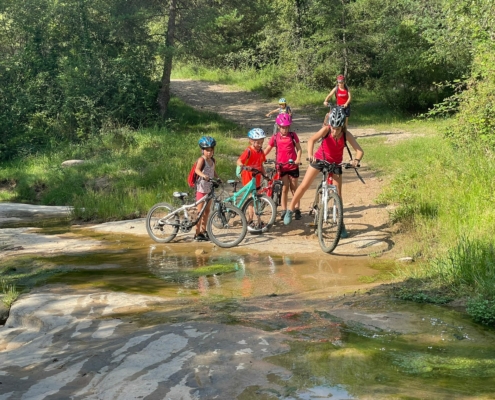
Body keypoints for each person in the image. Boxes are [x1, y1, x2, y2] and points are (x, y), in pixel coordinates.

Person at [283, 107, 363, 238]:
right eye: (333, 127)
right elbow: (311, 140)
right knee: (304, 185)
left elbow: (359, 151)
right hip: (320, 159)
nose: (335, 131)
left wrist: (356, 160)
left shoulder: (346, 135)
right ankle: (290, 209)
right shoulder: (326, 130)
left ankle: (340, 223)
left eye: (337, 128)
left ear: (342, 126)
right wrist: (310, 154)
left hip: (336, 164)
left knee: (338, 194)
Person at [264, 113, 303, 220]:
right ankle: (284, 209)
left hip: (293, 166)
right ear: (278, 126)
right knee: (284, 188)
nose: (285, 129)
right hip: (281, 167)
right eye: (282, 127)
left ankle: (297, 208)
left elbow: (299, 149)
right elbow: (267, 149)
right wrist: (261, 157)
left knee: (294, 188)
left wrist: (298, 159)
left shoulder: (293, 135)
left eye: (286, 127)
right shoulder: (275, 137)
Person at [236, 128, 267, 229]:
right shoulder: (249, 151)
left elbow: (261, 164)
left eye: (261, 142)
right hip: (248, 178)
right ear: (251, 141)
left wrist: (265, 175)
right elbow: (239, 161)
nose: (260, 144)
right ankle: (250, 219)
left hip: (257, 178)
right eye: (258, 142)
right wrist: (243, 166)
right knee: (251, 200)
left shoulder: (261, 152)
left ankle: (257, 220)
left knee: (256, 200)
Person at [194, 136, 219, 241]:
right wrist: (203, 176)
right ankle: (197, 233)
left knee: (207, 211)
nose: (209, 152)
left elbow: (213, 171)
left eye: (211, 150)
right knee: (199, 212)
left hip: (209, 189)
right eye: (207, 150)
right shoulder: (201, 160)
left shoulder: (213, 160)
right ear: (202, 150)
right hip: (201, 189)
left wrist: (218, 178)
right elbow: (197, 170)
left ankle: (204, 231)